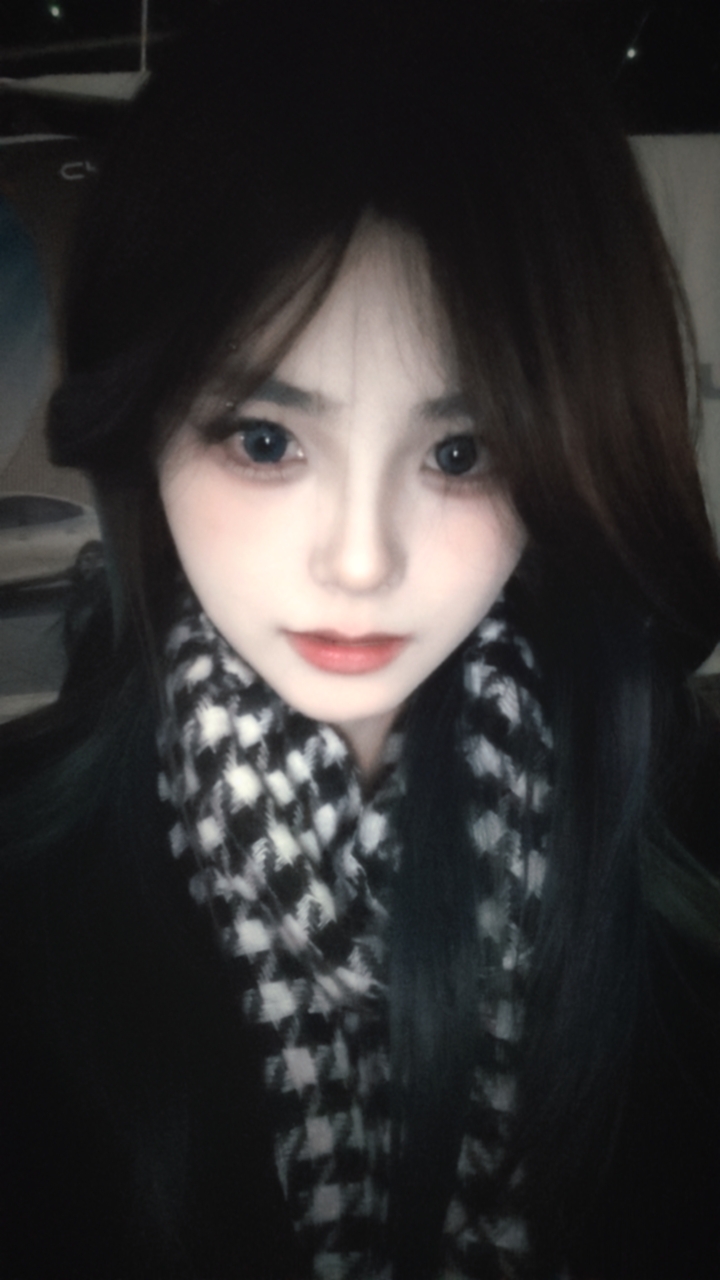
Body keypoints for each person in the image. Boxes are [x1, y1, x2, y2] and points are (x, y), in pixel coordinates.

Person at [1, 2, 719, 1277]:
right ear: (144, 422)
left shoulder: (683, 847)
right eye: (266, 439)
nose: (360, 560)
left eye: (463, 450)